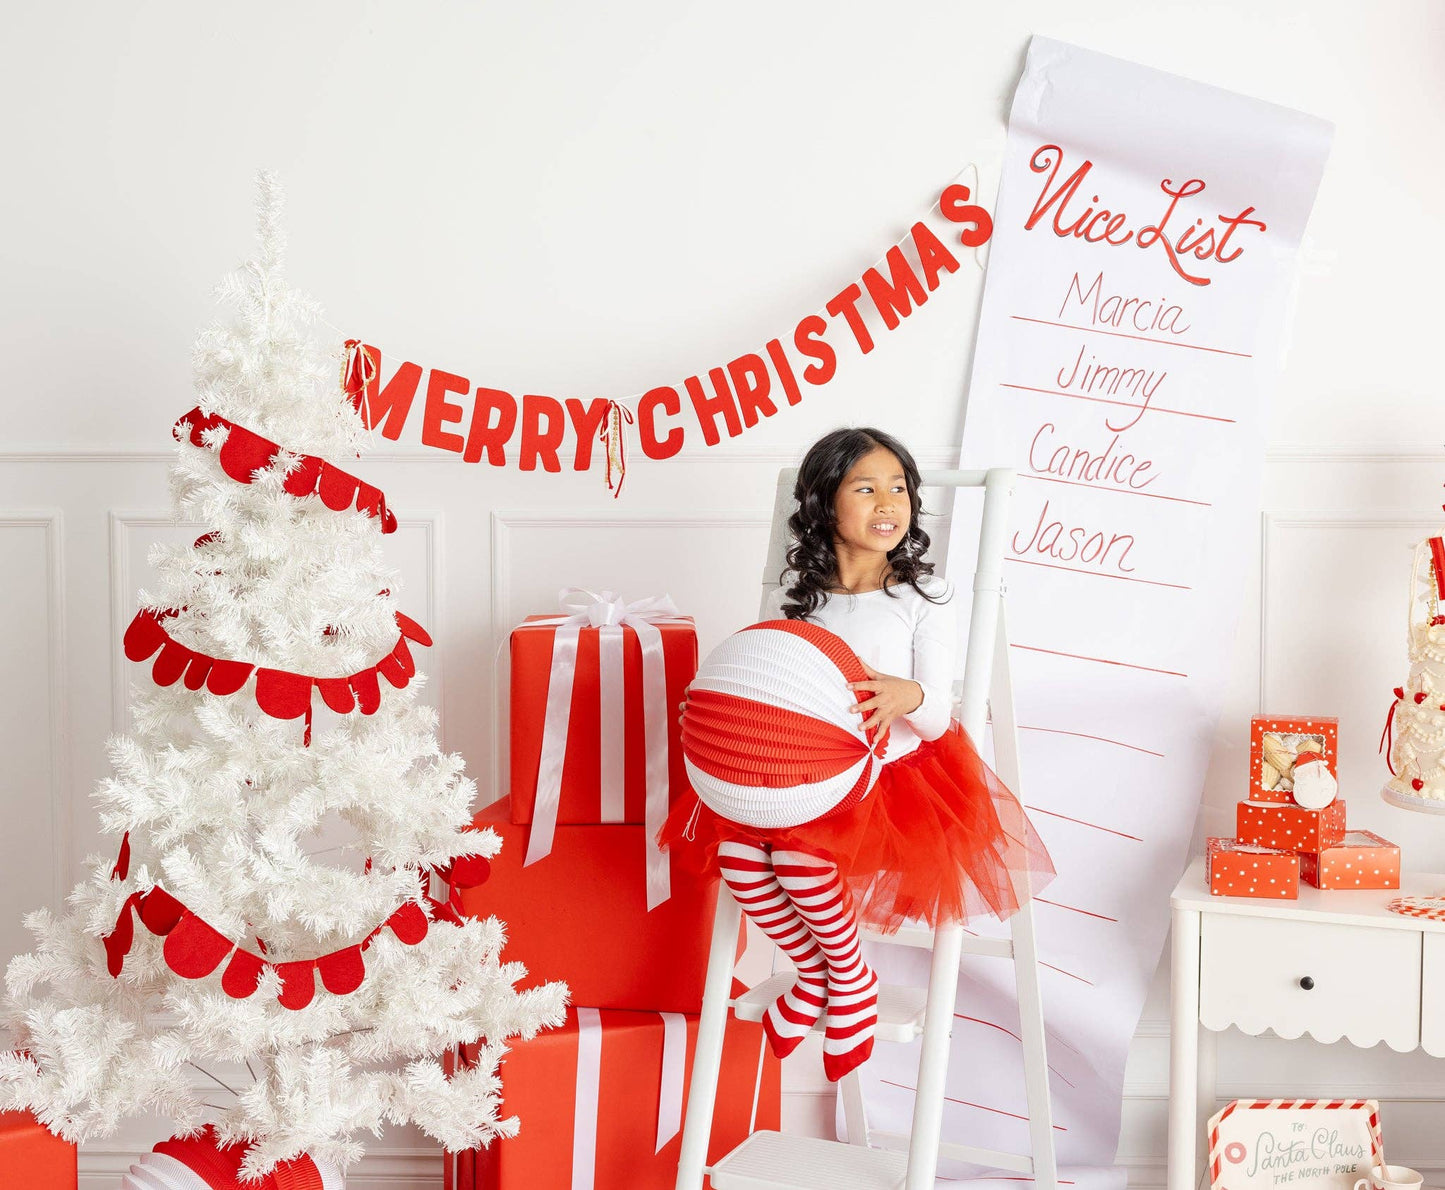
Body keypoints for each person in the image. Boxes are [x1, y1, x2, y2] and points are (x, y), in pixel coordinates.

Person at [660, 426, 1055, 1081]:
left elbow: (938, 718)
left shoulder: (921, 597)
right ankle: (811, 971)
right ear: (824, 503)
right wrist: (713, 709)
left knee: (797, 854)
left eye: (899, 488)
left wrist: (907, 694)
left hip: (887, 776)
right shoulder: (797, 600)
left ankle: (849, 976)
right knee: (737, 854)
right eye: (866, 488)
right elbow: (768, 686)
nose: (888, 502)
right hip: (800, 775)